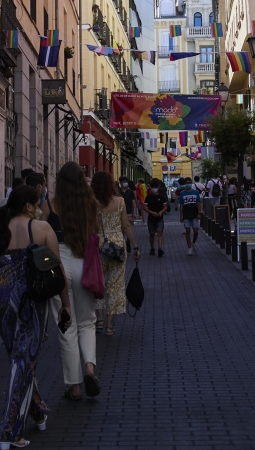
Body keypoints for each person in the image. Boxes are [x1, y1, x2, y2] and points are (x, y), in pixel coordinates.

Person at [0, 185, 72, 449]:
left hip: (2, 301)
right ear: (29, 206)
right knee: (24, 362)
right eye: (38, 201)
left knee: (19, 360)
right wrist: (65, 304)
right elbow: (58, 268)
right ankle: (9, 430)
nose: (41, 205)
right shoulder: (42, 230)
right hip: (32, 300)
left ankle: (37, 411)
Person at [47, 162, 102, 401]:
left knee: (66, 325)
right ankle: (89, 367)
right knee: (87, 322)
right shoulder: (90, 204)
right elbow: (93, 235)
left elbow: (40, 235)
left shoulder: (50, 205)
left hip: (58, 264)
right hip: (83, 264)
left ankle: (74, 385)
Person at [91, 172, 141, 336]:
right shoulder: (119, 202)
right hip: (117, 246)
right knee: (115, 284)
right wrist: (135, 246)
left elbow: (91, 227)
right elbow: (126, 226)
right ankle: (110, 325)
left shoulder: (92, 203)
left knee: (98, 283)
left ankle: (99, 320)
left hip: (98, 245)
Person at [142, 178, 168, 256]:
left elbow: (165, 206)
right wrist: (151, 212)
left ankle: (160, 248)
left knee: (160, 232)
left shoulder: (162, 197)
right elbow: (144, 207)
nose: (154, 189)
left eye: (155, 187)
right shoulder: (148, 197)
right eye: (153, 187)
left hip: (160, 218)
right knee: (152, 234)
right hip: (151, 218)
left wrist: (161, 212)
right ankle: (152, 247)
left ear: (158, 188)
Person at [178, 177, 203, 256]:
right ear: (185, 184)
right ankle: (189, 248)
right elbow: (181, 205)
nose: (188, 184)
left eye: (189, 182)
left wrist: (199, 213)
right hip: (186, 213)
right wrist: (181, 216)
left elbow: (198, 203)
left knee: (196, 231)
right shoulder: (182, 193)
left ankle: (193, 242)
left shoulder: (195, 192)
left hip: (194, 213)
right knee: (187, 231)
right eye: (187, 183)